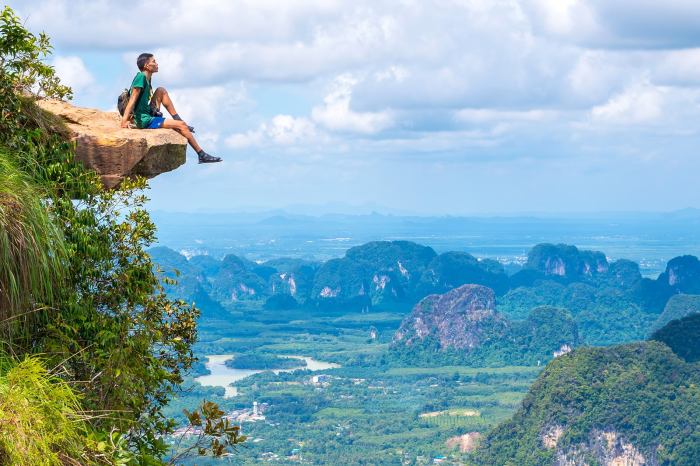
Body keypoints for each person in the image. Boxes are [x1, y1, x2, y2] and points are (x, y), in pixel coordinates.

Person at [120, 53, 221, 164]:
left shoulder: (147, 78)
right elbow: (132, 99)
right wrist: (124, 121)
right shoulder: (141, 77)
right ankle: (201, 155)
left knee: (161, 90)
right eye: (153, 61)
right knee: (181, 126)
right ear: (146, 65)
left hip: (147, 113)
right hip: (144, 120)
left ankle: (178, 119)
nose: (157, 64)